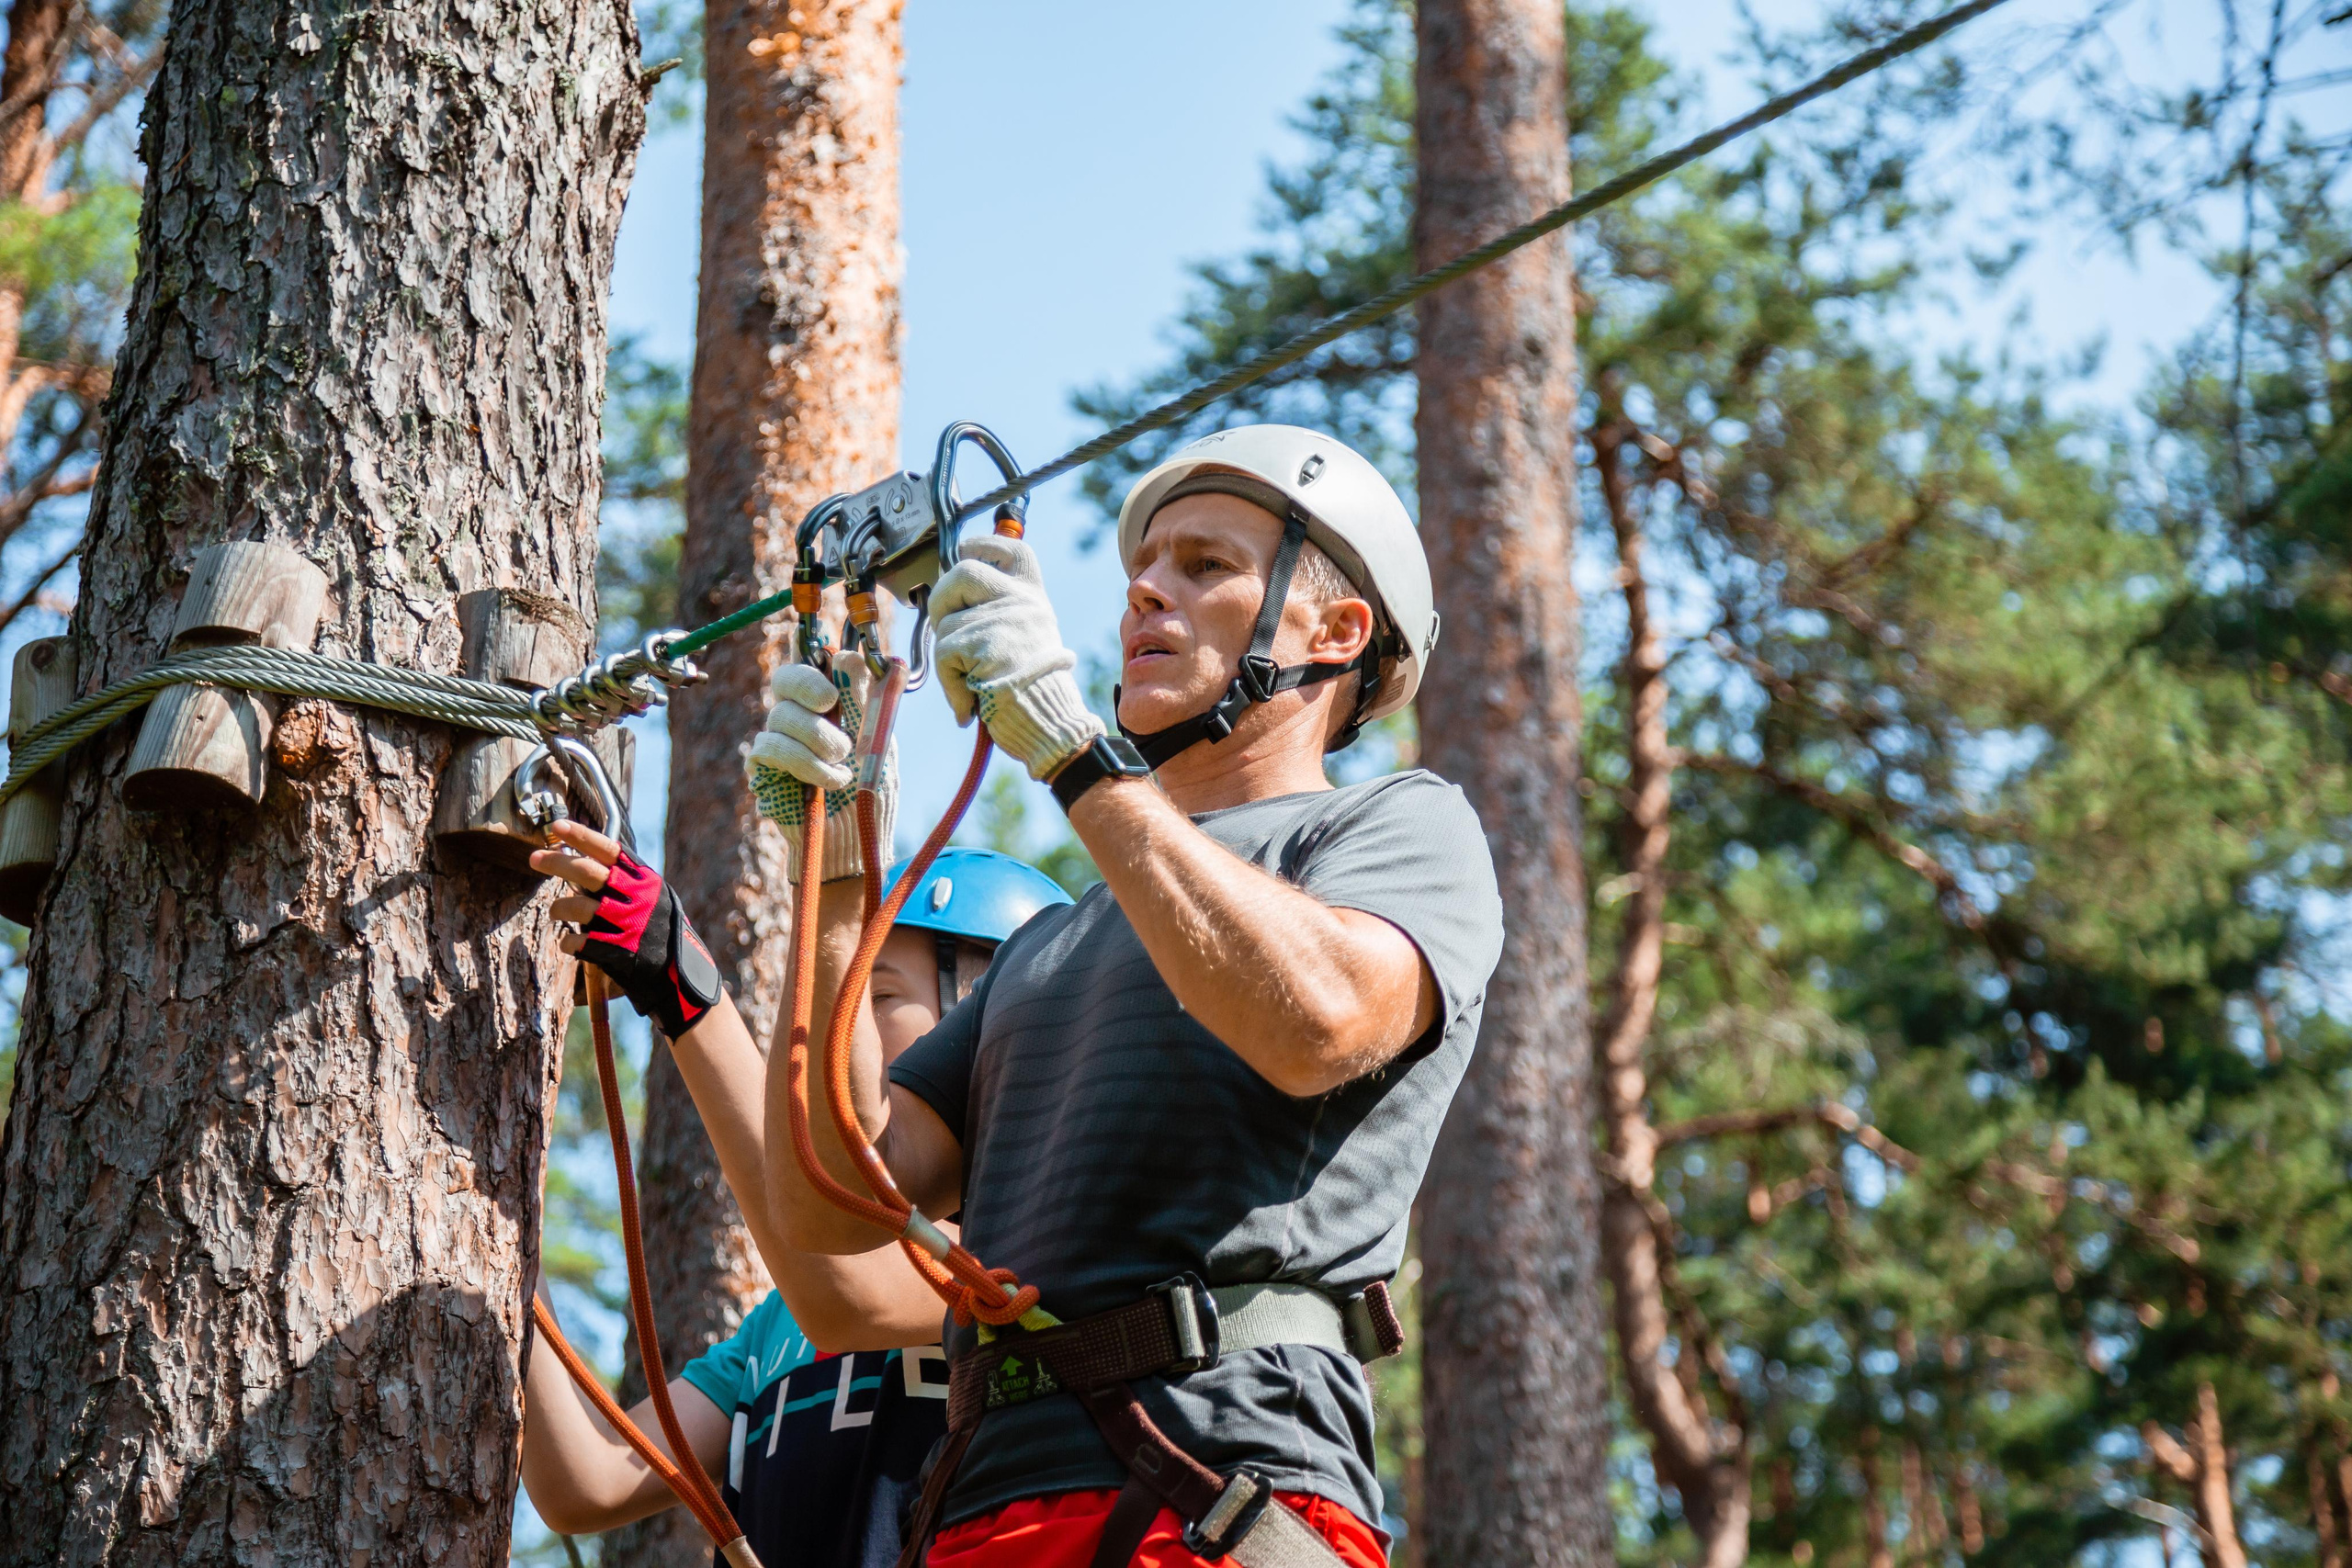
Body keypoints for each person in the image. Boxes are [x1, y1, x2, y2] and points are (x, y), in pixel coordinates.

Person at [750, 425, 1506, 1568]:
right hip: (977, 1513)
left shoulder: (1393, 829)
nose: (1146, 590)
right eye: (1142, 569)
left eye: (1205, 566)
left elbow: (1316, 1022)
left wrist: (1071, 750)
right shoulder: (1053, 941)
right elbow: (834, 1200)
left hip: (1218, 1495)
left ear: (1337, 632)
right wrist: (838, 869)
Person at [519, 838, 1071, 1565]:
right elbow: (582, 1481)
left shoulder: (1028, 1256)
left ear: (993, 1025)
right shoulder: (775, 1329)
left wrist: (686, 991)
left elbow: (844, 1288)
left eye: (880, 997)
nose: (850, 1029)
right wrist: (500, 1234)